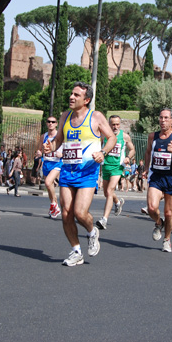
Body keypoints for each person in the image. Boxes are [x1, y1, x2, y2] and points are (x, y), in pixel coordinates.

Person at [43, 82, 116, 266]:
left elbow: (112, 138)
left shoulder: (96, 117)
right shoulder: (65, 116)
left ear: (86, 100)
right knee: (66, 213)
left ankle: (92, 232)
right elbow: (59, 139)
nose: (71, 97)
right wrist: (49, 147)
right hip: (68, 169)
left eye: (76, 95)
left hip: (87, 171)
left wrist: (103, 153)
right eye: (71, 93)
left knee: (80, 212)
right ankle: (76, 250)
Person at [142, 108, 172, 253]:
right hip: (156, 176)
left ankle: (167, 239)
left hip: (171, 177)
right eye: (161, 118)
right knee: (151, 207)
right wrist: (146, 167)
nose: (162, 120)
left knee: (169, 213)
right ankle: (158, 222)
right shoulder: (152, 136)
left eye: (166, 118)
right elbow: (148, 152)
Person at [96, 115, 135, 230]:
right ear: (109, 124)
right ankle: (118, 202)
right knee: (106, 193)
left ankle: (104, 219)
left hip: (118, 167)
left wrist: (128, 157)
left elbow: (132, 149)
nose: (115, 126)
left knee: (109, 190)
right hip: (106, 166)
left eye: (117, 124)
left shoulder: (124, 136)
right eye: (113, 124)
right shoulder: (104, 135)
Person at [38, 116, 63, 218]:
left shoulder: (60, 135)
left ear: (56, 124)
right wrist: (39, 153)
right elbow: (39, 149)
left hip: (57, 163)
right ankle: (54, 206)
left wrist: (62, 154)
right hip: (47, 162)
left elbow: (67, 147)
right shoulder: (44, 136)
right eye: (49, 121)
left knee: (48, 182)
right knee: (49, 188)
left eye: (53, 122)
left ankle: (54, 205)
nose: (51, 123)